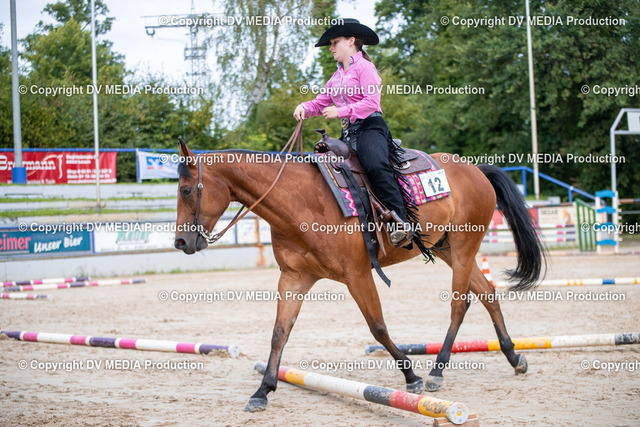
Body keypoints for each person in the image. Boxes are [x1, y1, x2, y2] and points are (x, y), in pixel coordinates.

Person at [293, 18, 413, 247]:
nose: (331, 48)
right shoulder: (336, 76)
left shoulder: (365, 68)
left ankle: (400, 225)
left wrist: (341, 111)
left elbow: (372, 102)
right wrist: (303, 108)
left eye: (334, 42)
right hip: (349, 134)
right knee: (326, 169)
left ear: (351, 41)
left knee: (376, 166)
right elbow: (319, 103)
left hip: (371, 128)